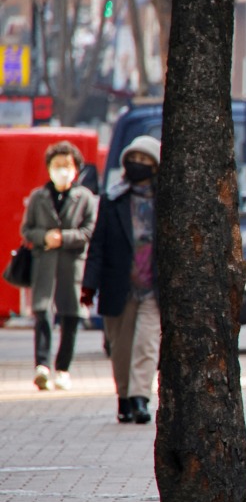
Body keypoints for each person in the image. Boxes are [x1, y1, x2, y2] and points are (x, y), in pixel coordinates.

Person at [81, 135, 164, 424]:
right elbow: (98, 247)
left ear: (155, 167)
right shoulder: (113, 200)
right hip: (119, 285)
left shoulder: (167, 203)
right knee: (122, 347)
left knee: (147, 343)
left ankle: (141, 398)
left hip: (153, 288)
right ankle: (125, 397)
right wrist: (89, 286)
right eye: (134, 160)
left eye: (145, 161)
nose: (138, 165)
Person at [21, 141, 97, 391]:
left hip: (72, 263)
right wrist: (44, 237)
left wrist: (63, 237)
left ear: (76, 168)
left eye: (66, 165)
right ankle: (42, 365)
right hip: (44, 262)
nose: (61, 170)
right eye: (57, 165)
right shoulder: (38, 196)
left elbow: (88, 231)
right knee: (42, 312)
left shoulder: (85, 197)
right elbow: (27, 229)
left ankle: (63, 368)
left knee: (71, 315)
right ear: (49, 168)